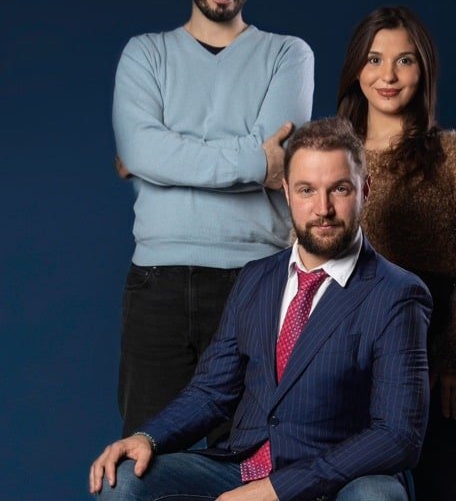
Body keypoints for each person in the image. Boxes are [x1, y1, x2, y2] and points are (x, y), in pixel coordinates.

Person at [89, 117, 432, 501]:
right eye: (307, 190)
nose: (323, 208)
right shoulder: (257, 279)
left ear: (364, 189)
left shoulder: (398, 295)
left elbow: (397, 436)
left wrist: (277, 490)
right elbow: (211, 392)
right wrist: (146, 436)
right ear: (286, 192)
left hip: (340, 480)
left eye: (339, 189)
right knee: (123, 481)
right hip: (243, 468)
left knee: (376, 497)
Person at [112, 0, 314, 439]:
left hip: (257, 280)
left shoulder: (287, 55)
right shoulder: (144, 55)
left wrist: (172, 154)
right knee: (146, 463)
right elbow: (142, 152)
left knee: (252, 462)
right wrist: (252, 158)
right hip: (158, 284)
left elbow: (283, 159)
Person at [337, 6, 456, 501]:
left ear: (424, 69)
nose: (387, 76)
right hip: (349, 359)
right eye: (374, 59)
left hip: (432, 358)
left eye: (404, 60)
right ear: (356, 68)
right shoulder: (330, 155)